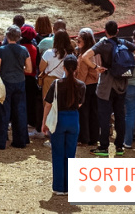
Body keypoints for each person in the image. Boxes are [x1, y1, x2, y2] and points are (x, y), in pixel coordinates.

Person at [81, 20, 135, 157]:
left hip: (106, 85)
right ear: (117, 31)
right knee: (120, 116)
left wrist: (95, 67)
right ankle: (119, 146)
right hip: (122, 85)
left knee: (104, 117)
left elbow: (85, 56)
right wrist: (127, 64)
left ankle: (104, 147)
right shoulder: (124, 43)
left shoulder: (103, 44)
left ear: (105, 31)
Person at [42, 54, 85, 196]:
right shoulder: (81, 85)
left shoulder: (56, 84)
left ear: (63, 67)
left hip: (59, 119)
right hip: (73, 119)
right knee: (70, 154)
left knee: (57, 153)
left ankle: (59, 187)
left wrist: (44, 122)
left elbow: (48, 105)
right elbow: (79, 104)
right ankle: (69, 186)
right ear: (76, 68)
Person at [0, 25, 32, 149]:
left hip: (5, 82)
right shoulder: (23, 50)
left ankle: (0, 142)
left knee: (3, 112)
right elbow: (29, 69)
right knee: (20, 111)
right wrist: (20, 68)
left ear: (7, 36)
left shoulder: (1, 50)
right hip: (20, 82)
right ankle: (20, 141)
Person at [74, 29, 99, 146]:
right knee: (94, 112)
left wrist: (77, 87)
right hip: (95, 85)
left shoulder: (84, 56)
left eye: (79, 41)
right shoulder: (95, 52)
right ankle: (93, 137)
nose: (77, 42)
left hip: (86, 86)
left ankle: (84, 137)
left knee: (83, 112)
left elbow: (82, 75)